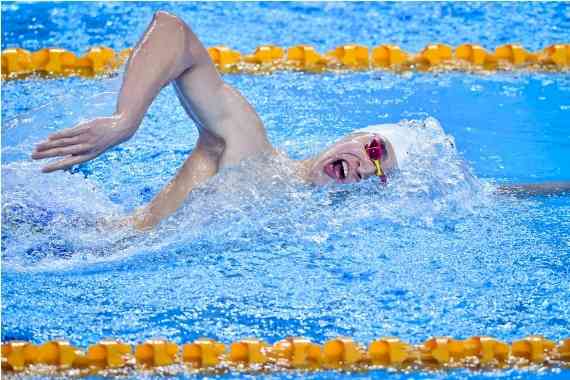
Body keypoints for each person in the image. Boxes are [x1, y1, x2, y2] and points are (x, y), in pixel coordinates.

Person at [32, 11, 569, 230]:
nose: (364, 169)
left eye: (380, 176)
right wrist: (126, 120)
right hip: (60, 234)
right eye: (375, 151)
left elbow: (484, 194)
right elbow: (175, 32)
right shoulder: (247, 150)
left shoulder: (302, 219)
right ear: (356, 136)